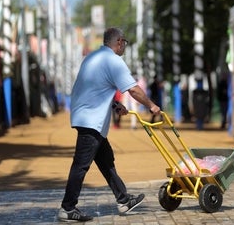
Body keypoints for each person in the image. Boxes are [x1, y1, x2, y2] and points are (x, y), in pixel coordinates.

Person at [58, 27, 161, 222]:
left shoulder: (92, 58)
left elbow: (93, 87)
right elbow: (134, 90)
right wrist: (152, 106)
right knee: (81, 164)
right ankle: (67, 208)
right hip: (91, 119)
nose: (125, 47)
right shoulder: (114, 61)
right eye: (125, 43)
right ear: (120, 42)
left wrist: (114, 104)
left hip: (84, 115)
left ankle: (123, 200)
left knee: (106, 161)